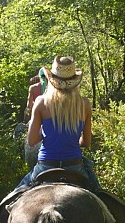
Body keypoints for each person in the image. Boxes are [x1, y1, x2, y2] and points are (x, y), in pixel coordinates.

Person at [17, 55, 101, 190]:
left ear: (52, 80)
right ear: (74, 81)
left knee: (12, 200)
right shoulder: (84, 105)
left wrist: (46, 134)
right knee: (100, 196)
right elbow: (86, 142)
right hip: (75, 165)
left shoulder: (41, 102)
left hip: (46, 165)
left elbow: (32, 141)